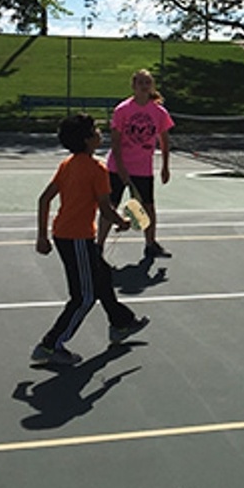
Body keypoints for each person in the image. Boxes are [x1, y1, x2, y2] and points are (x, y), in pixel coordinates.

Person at [33, 113, 150, 366]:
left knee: (102, 276)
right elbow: (106, 209)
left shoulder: (67, 164)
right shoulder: (98, 168)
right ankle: (51, 344)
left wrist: (42, 237)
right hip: (77, 238)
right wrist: (122, 222)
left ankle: (121, 323)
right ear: (87, 140)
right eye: (96, 130)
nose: (100, 132)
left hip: (63, 235)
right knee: (84, 297)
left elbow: (44, 199)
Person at [97, 69, 174, 263]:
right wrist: (121, 167)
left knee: (148, 207)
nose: (144, 86)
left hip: (143, 168)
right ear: (133, 86)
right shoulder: (122, 110)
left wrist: (165, 166)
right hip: (117, 166)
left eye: (148, 82)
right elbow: (115, 141)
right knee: (110, 206)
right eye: (141, 82)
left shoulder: (158, 112)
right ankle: (97, 247)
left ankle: (151, 244)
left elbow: (164, 140)